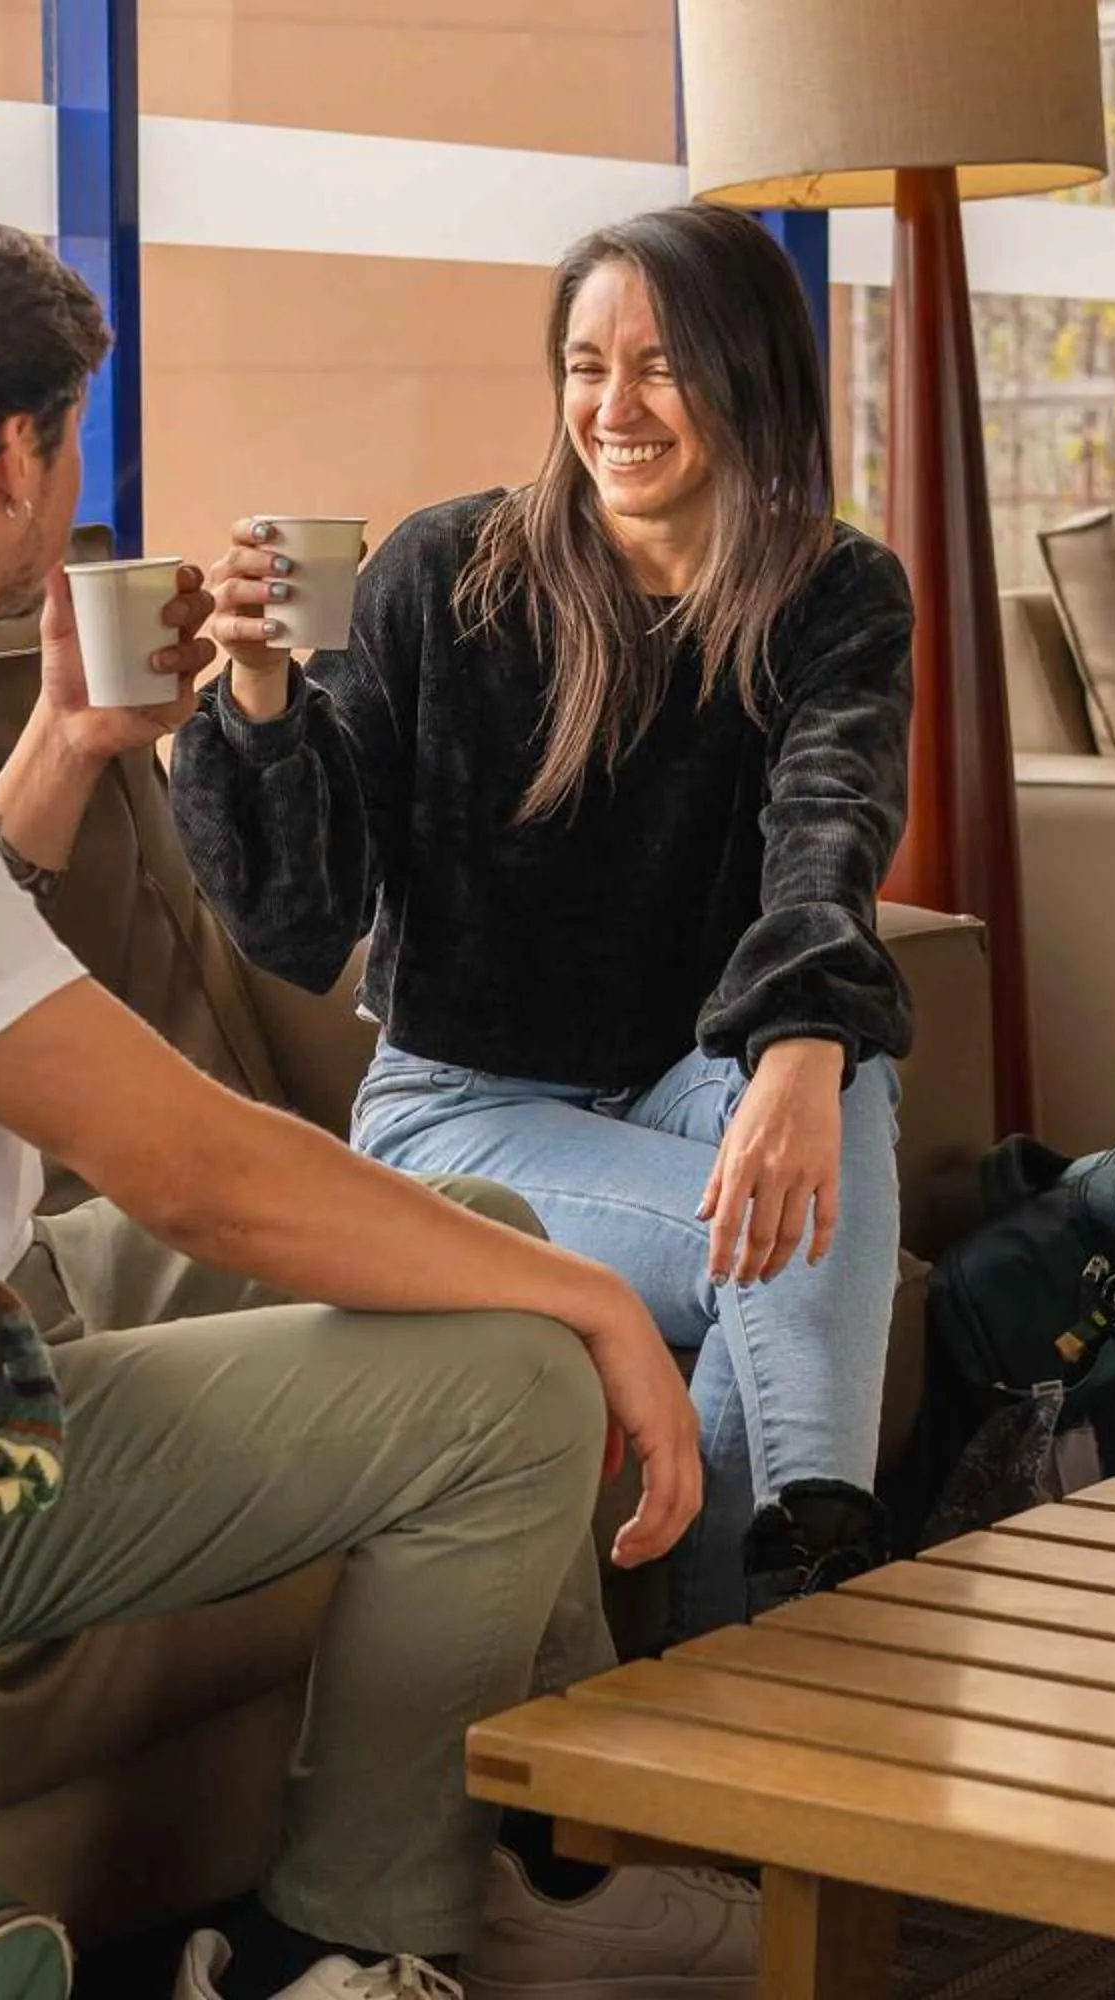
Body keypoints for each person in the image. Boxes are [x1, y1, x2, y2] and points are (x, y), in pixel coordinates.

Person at [0, 208, 753, 2000]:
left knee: (489, 1237)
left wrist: (64, 753)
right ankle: (338, 1949)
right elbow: (193, 1170)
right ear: (14, 460)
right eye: (72, 441)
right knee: (520, 1368)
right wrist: (606, 1305)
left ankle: (493, 1859)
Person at [171, 204, 916, 1644]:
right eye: (585, 365)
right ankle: (822, 1585)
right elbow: (299, 926)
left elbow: (829, 824)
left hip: (689, 1077)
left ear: (751, 375)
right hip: (459, 1112)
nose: (613, 409)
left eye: (659, 366)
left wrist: (810, 1045)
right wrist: (262, 704)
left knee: (835, 1094)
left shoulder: (833, 591)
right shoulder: (446, 577)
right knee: (799, 1245)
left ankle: (736, 1655)